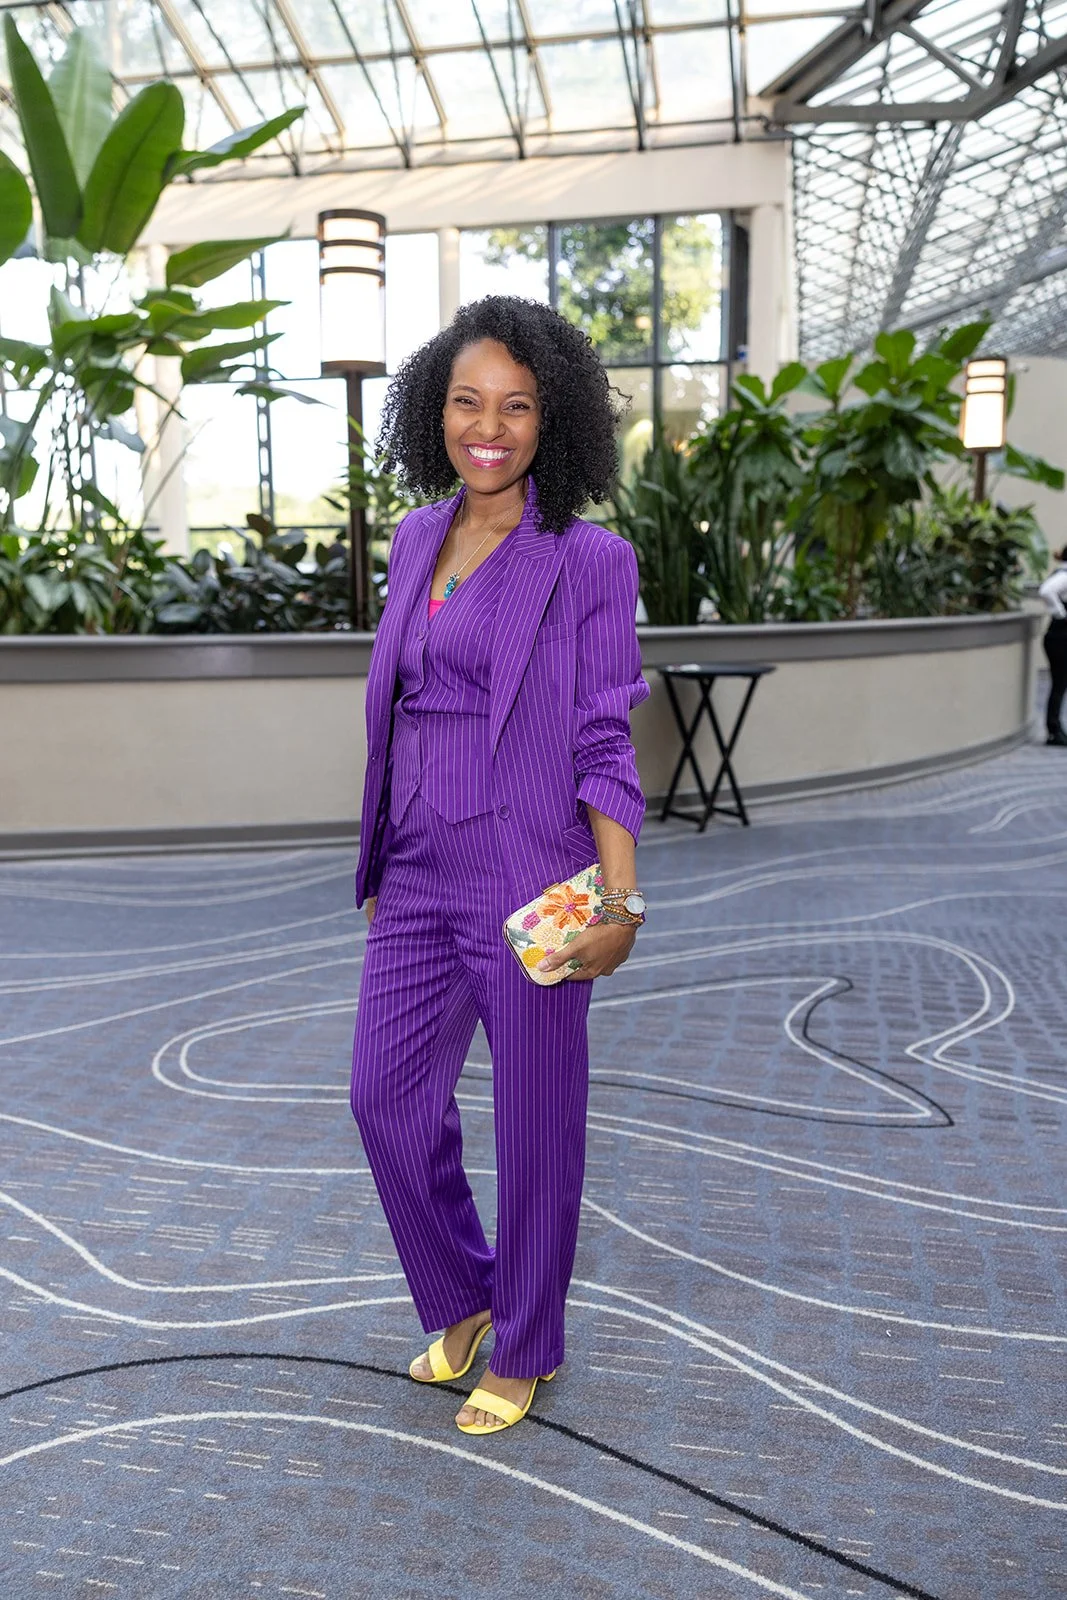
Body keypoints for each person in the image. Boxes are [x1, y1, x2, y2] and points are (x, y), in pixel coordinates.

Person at [349, 297, 649, 1436]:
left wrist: (616, 902)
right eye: (468, 401)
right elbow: (399, 703)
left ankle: (526, 1341)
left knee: (534, 1123)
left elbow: (603, 733)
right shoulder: (417, 537)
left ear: (551, 421)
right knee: (382, 1100)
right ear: (435, 411)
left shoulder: (586, 560)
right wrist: (382, 839)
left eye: (516, 406)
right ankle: (465, 1297)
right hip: (415, 871)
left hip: (531, 873)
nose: (489, 426)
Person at [1039, 545, 1067, 747]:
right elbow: (1046, 590)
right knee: (1059, 683)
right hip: (1059, 637)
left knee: (1060, 684)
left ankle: (1055, 728)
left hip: (1059, 636)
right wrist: (1061, 614)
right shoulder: (1065, 574)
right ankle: (1053, 730)